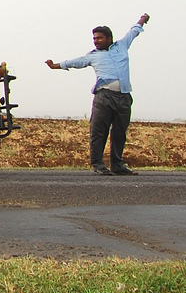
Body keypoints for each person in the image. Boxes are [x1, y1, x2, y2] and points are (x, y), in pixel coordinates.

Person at [46, 14, 150, 176]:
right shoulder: (93, 55)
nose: (96, 41)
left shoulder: (121, 46)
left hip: (124, 96)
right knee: (99, 131)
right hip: (104, 97)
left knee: (120, 132)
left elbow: (134, 31)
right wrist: (55, 66)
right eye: (94, 38)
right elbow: (75, 62)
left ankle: (117, 165)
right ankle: (98, 164)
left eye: (99, 38)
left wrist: (143, 19)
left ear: (109, 38)